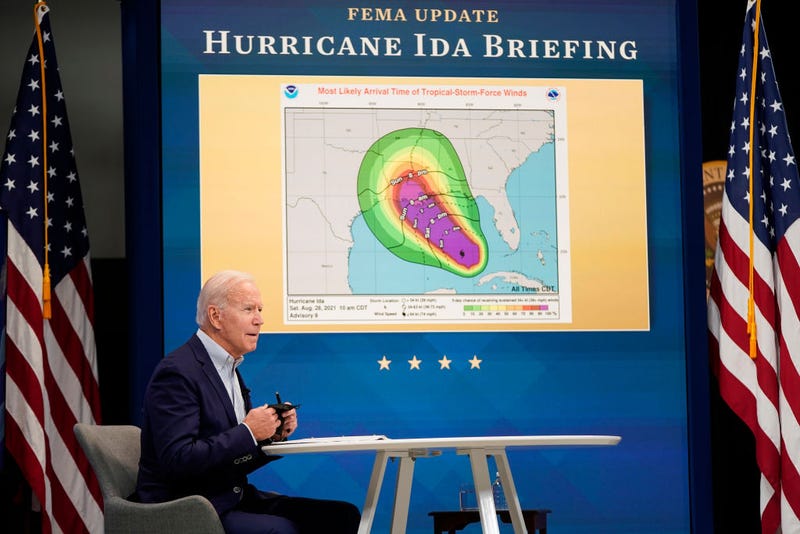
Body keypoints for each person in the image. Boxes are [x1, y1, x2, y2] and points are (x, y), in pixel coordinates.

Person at [135, 270, 361, 534]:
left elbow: (232, 457)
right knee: (282, 530)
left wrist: (270, 437)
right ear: (215, 316)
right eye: (248, 309)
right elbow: (178, 459)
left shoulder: (229, 368)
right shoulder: (177, 372)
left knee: (342, 516)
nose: (260, 320)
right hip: (187, 507)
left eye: (260, 310)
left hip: (230, 497)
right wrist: (248, 432)